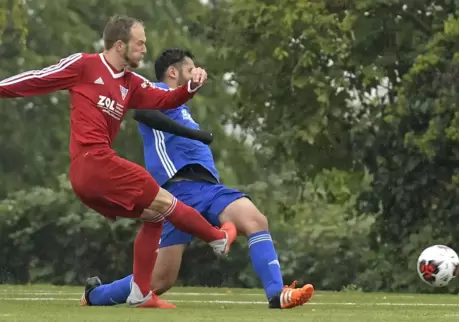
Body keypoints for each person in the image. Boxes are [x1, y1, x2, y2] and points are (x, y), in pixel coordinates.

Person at [0, 16, 237, 309]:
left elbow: (166, 101)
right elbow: (36, 79)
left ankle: (140, 293)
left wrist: (191, 88)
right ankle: (216, 238)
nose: (144, 49)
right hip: (92, 162)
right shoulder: (84, 65)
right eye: (140, 43)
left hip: (96, 172)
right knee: (164, 200)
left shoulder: (131, 82)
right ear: (120, 44)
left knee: (154, 216)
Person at [80, 48, 315, 309]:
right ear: (173, 71)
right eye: (190, 70)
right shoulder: (158, 92)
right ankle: (95, 295)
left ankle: (276, 293)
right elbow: (141, 113)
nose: (195, 75)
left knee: (255, 220)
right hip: (178, 190)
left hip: (207, 189)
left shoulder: (179, 106)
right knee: (159, 279)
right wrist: (193, 134)